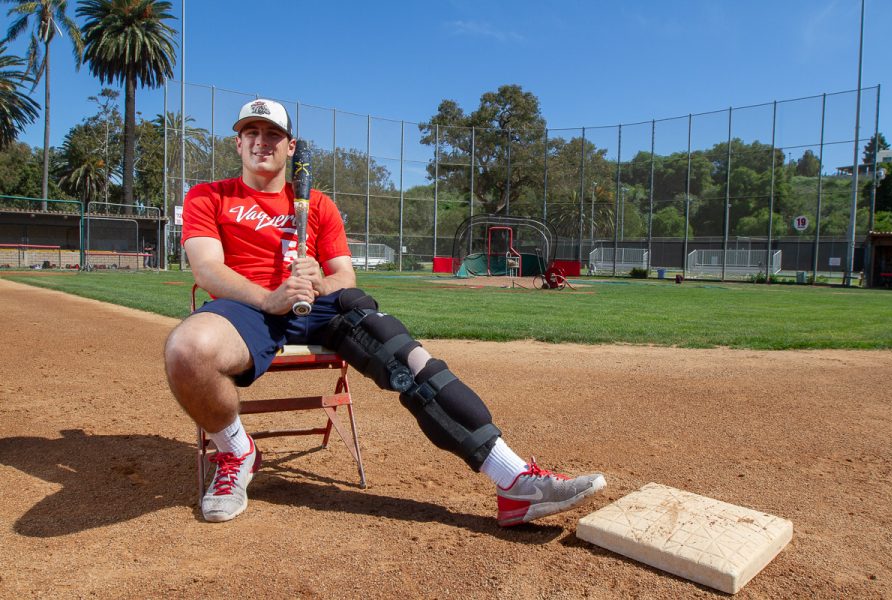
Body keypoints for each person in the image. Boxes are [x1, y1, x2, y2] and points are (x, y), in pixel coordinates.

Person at [164, 99, 606, 525]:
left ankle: (514, 482)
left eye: (273, 134)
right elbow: (206, 268)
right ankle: (237, 451)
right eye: (251, 133)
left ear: (290, 146)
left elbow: (345, 278)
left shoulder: (317, 205)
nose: (262, 141)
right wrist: (267, 298)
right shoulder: (210, 196)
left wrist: (320, 281)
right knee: (187, 349)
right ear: (237, 143)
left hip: (319, 309)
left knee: (409, 359)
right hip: (248, 308)